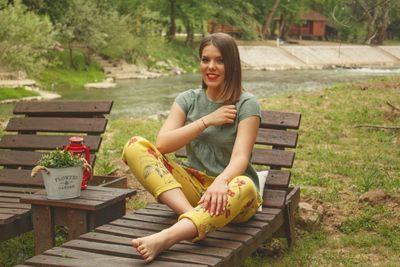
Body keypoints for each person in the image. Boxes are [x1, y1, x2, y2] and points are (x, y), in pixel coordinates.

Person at [122, 32, 262, 263]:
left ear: (232, 64)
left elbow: (240, 157)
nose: (211, 67)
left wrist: (220, 182)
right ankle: (192, 216)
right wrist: (207, 120)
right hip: (195, 188)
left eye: (220, 60)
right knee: (135, 145)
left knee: (245, 184)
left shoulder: (247, 104)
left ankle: (167, 237)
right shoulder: (188, 99)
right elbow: (163, 144)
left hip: (232, 193)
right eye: (205, 59)